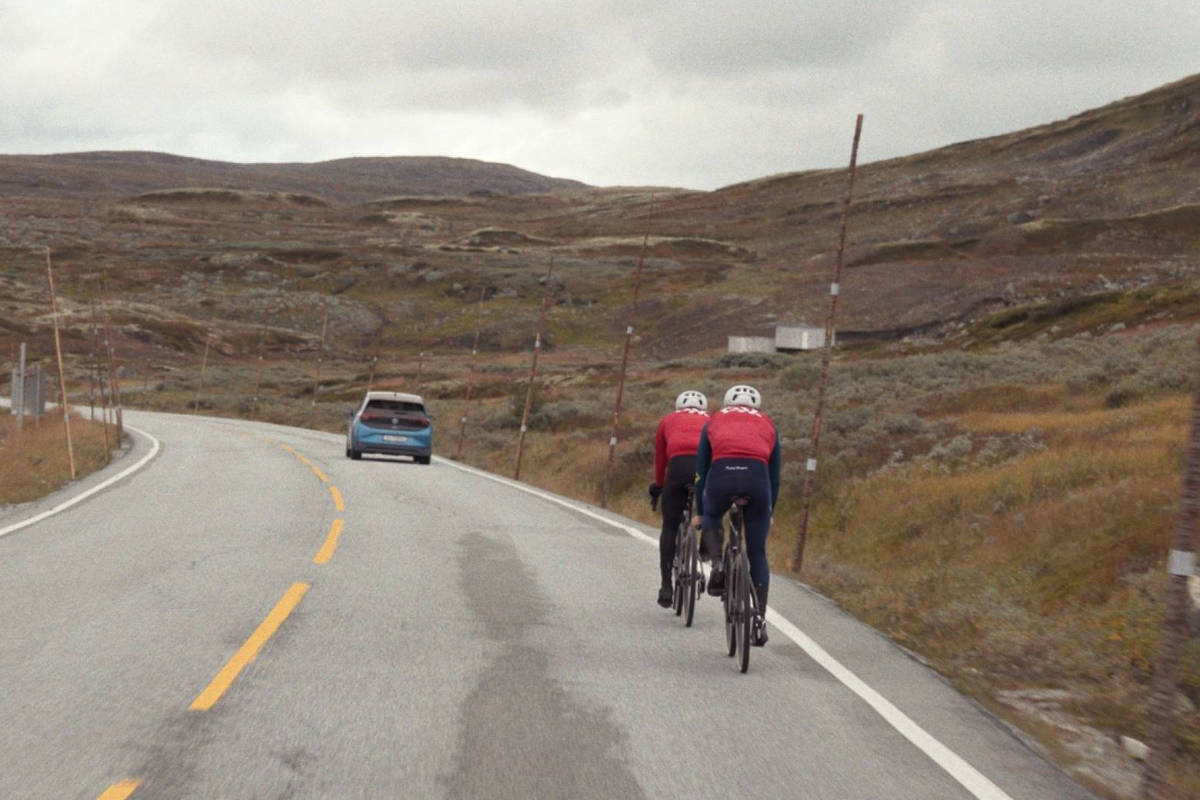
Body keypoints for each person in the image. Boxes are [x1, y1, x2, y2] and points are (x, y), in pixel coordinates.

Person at [693, 384, 780, 646]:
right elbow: (775, 477)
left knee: (712, 513)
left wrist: (702, 510)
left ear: (728, 401)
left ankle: (718, 564)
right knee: (757, 553)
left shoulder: (714, 420)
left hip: (723, 475)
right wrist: (770, 510)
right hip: (757, 479)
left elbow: (701, 471)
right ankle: (759, 620)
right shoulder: (768, 423)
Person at [648, 390, 710, 608]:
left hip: (678, 467)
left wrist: (660, 484)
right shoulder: (711, 420)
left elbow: (661, 458)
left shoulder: (668, 420)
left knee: (670, 527)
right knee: (710, 509)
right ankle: (706, 548)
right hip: (704, 469)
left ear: (678, 406)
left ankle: (666, 585)